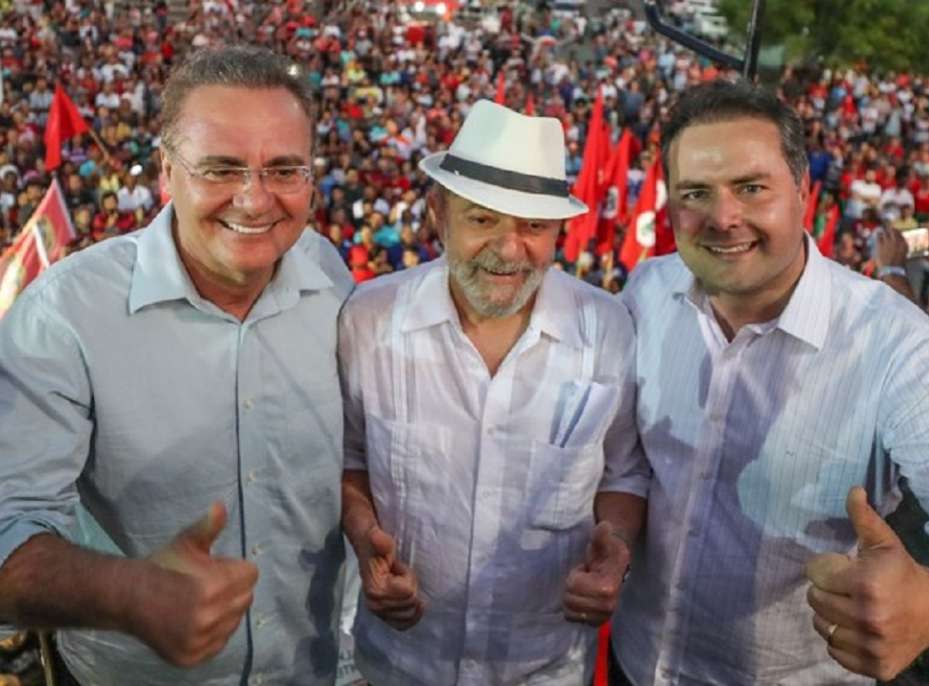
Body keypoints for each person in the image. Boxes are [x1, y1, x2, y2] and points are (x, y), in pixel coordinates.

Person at [0, 46, 353, 685]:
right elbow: (8, 526)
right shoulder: (65, 316)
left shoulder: (328, 273)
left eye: (283, 169)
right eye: (221, 169)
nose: (255, 200)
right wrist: (127, 593)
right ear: (167, 172)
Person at [613, 80, 929, 685]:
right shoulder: (646, 290)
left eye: (751, 187)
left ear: (802, 190)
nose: (723, 218)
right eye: (696, 192)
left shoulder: (901, 349)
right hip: (635, 664)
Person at [339, 99, 648, 685]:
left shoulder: (608, 329)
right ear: (438, 214)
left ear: (558, 230)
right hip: (401, 666)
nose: (509, 250)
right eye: (482, 220)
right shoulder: (368, 320)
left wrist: (615, 546)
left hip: (546, 668)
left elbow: (624, 474)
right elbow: (350, 456)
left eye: (533, 226)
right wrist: (361, 535)